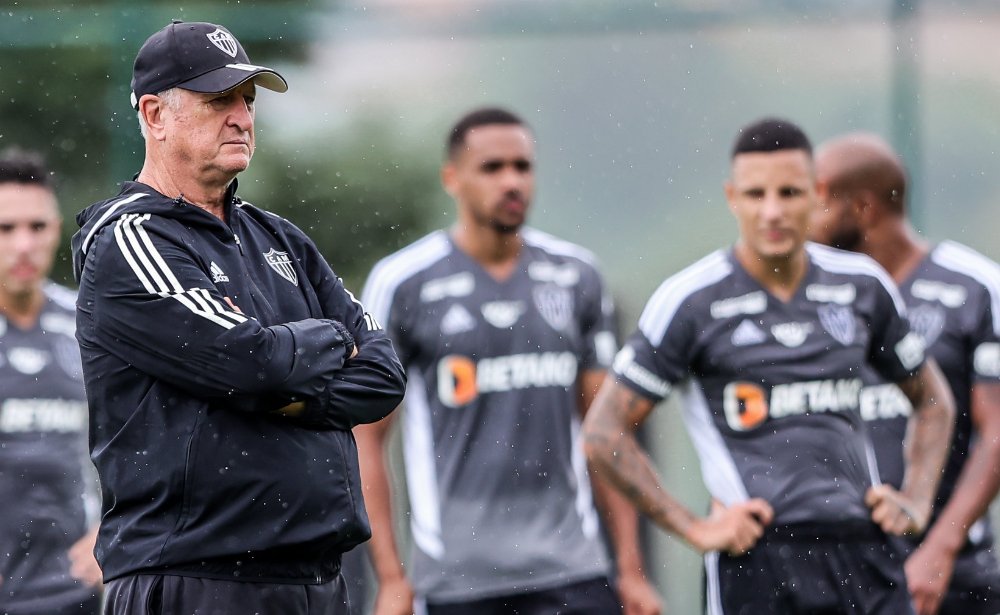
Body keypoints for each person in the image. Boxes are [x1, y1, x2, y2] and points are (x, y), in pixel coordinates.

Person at [70, 21, 406, 615]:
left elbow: (383, 376)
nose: (242, 118)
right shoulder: (129, 241)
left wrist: (285, 392)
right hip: (195, 578)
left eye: (247, 101)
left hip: (316, 577)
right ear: (154, 115)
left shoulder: (281, 238)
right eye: (217, 100)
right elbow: (250, 362)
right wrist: (327, 343)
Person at [582, 117, 956, 615]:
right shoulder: (691, 301)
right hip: (758, 559)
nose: (773, 211)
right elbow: (603, 433)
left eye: (789, 193)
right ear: (732, 198)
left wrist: (916, 500)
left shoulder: (863, 286)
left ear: (817, 194)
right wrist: (694, 527)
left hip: (863, 552)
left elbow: (933, 400)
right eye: (756, 194)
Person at [356, 107, 662, 615]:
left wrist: (631, 571)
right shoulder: (403, 282)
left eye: (522, 166)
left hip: (573, 571)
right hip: (456, 582)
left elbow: (607, 433)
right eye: (492, 168)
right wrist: (390, 577)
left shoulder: (577, 276)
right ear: (452, 178)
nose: (511, 182)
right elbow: (366, 437)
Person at [810, 132, 1000, 615]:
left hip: (948, 573)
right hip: (839, 566)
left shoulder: (976, 287)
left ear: (863, 208)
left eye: (818, 200)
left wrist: (940, 548)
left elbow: (997, 430)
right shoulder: (813, 294)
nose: (800, 217)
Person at [0, 148, 103, 614]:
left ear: (57, 229)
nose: (23, 244)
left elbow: (144, 440)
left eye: (37, 227)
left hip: (75, 590)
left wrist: (113, 533)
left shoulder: (90, 324)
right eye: (6, 228)